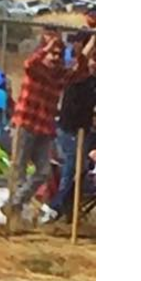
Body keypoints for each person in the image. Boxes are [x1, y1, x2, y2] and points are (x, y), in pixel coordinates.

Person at [10, 27, 88, 214]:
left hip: (44, 128)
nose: (55, 58)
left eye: (59, 55)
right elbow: (30, 62)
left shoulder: (60, 76)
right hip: (25, 124)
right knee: (19, 169)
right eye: (52, 54)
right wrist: (49, 45)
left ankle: (14, 203)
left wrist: (90, 42)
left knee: (43, 172)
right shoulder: (35, 69)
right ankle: (14, 213)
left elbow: (80, 71)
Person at [47, 12, 95, 223]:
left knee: (80, 169)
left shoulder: (94, 81)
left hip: (83, 130)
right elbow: (83, 58)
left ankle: (67, 210)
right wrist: (95, 36)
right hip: (68, 129)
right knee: (72, 167)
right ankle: (55, 207)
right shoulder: (77, 74)